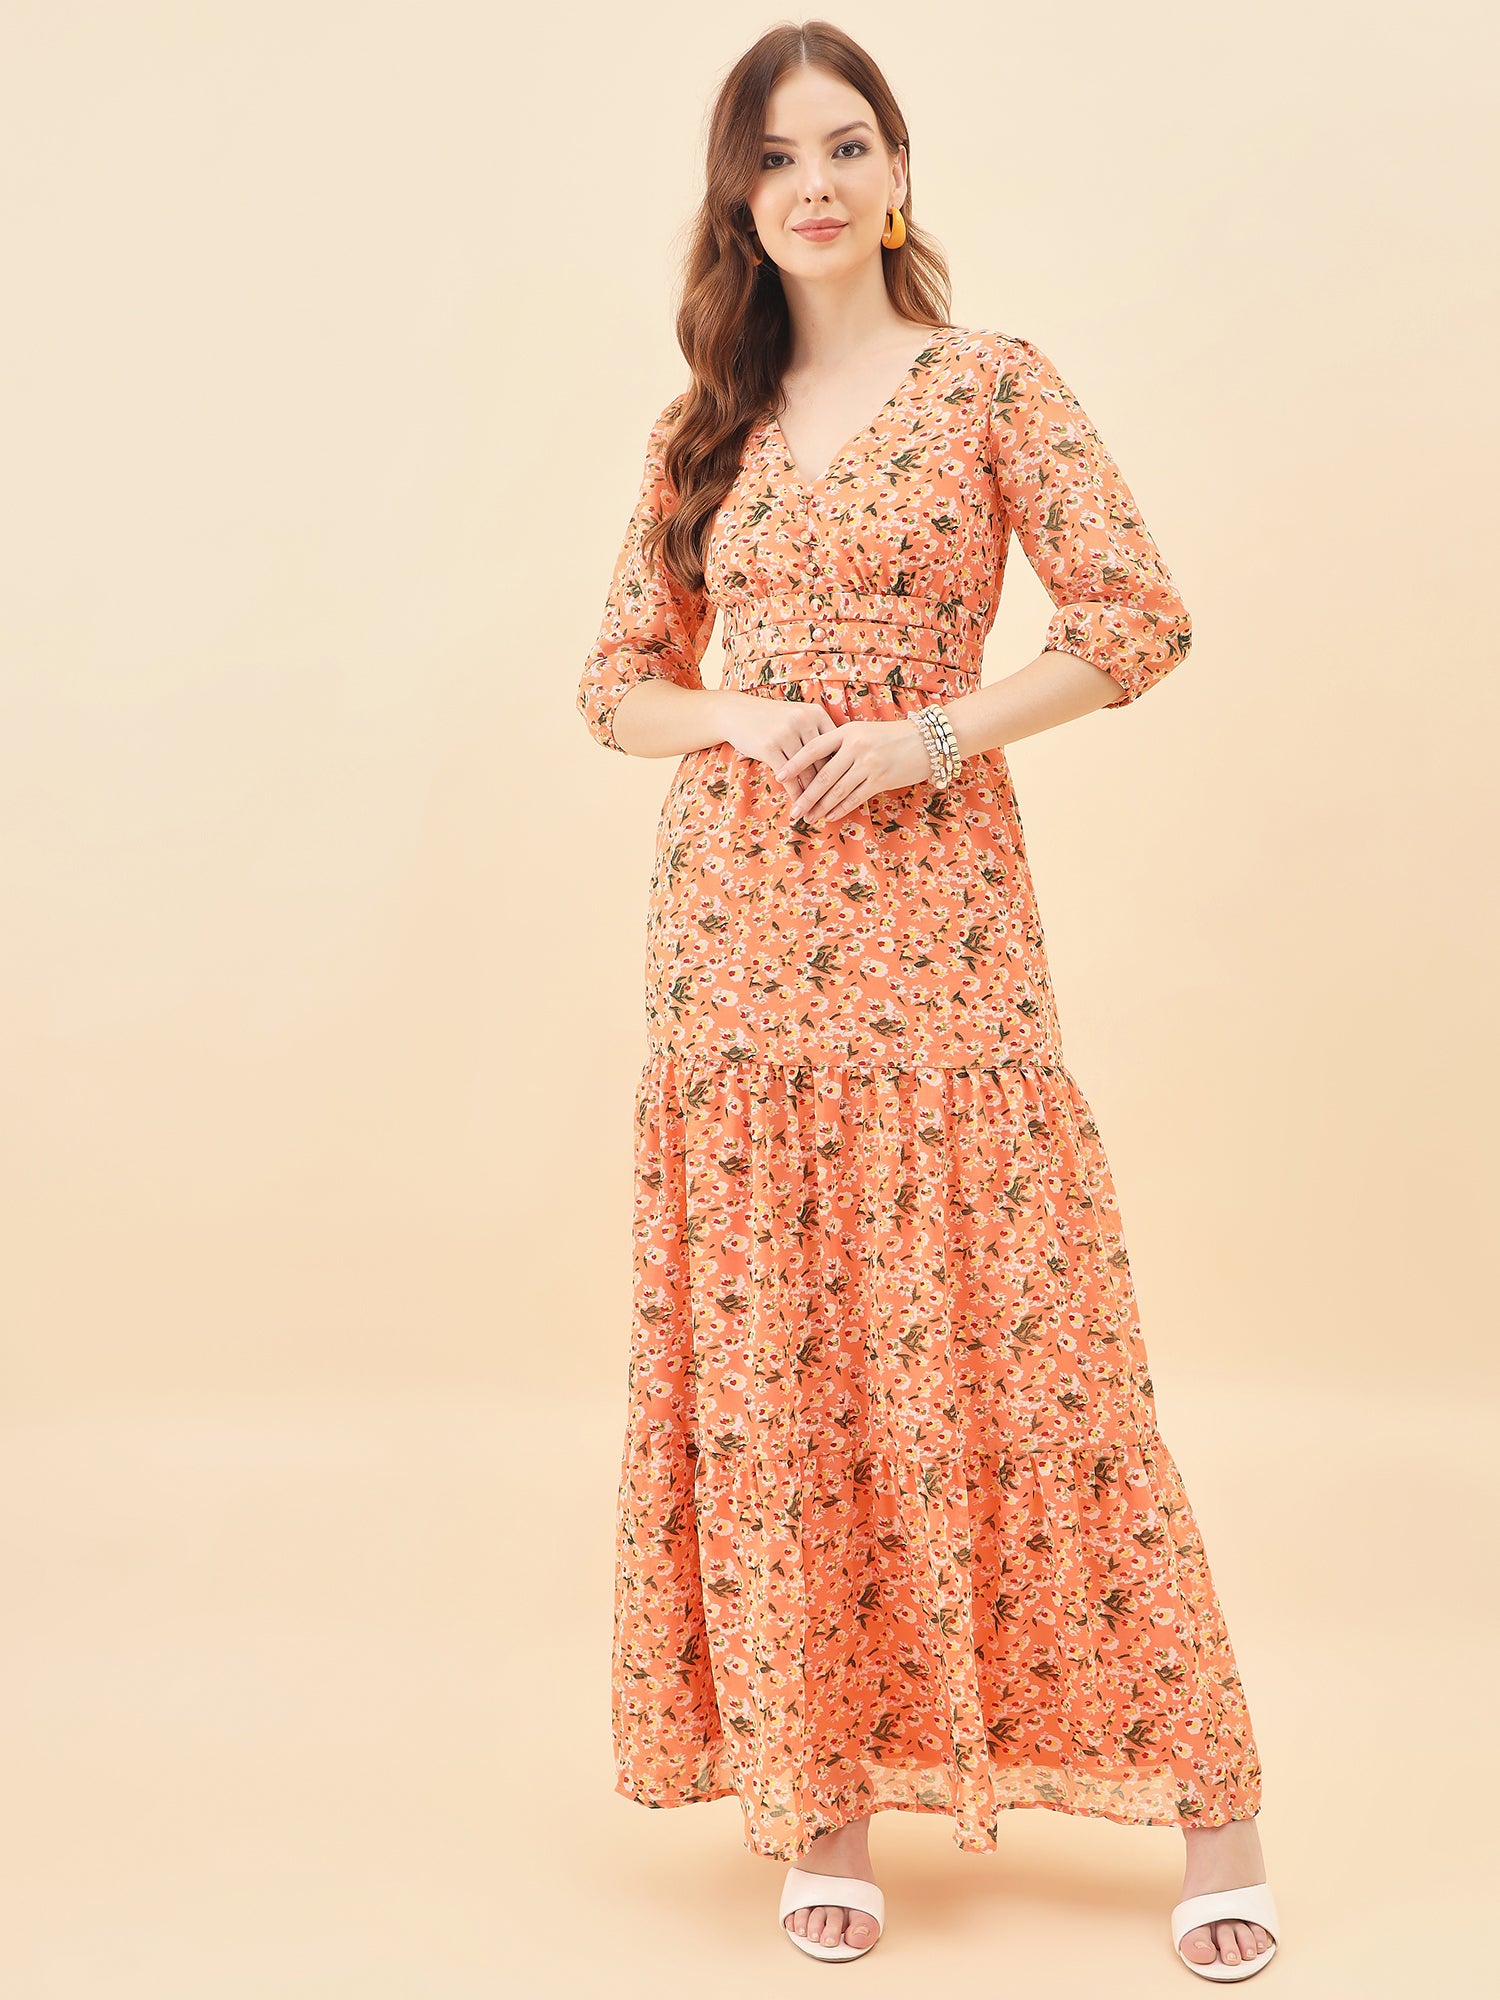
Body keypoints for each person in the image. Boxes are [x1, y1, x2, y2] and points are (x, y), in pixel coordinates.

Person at [575, 21, 1281, 1981]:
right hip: (734, 946)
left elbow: (1137, 613)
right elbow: (617, 679)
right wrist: (736, 709)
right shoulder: (698, 425)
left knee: (1035, 1353)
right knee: (784, 1372)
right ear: (739, 195)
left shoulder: (992, 382)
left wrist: (937, 731)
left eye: (848, 144)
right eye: (775, 156)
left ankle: (1211, 1807)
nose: (813, 181)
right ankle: (827, 1810)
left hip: (942, 931)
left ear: (898, 169)